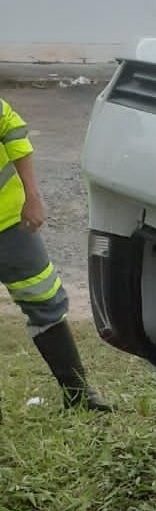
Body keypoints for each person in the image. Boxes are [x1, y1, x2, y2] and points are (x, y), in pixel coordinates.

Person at [1, 97, 109, 412]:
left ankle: (78, 396)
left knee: (44, 300)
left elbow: (14, 135)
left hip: (10, 223)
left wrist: (33, 197)